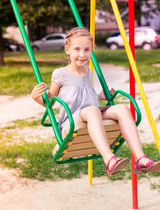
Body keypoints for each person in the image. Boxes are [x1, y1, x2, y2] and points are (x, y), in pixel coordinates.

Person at [31, 27, 160, 177]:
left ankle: (140, 158)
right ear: (67, 50)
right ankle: (110, 160)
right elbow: (50, 101)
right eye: (77, 49)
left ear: (92, 50)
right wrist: (36, 97)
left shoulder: (88, 72)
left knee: (122, 108)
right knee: (92, 110)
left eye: (87, 49)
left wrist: (100, 96)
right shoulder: (60, 74)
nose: (82, 54)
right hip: (72, 119)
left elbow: (84, 96)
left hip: (91, 113)